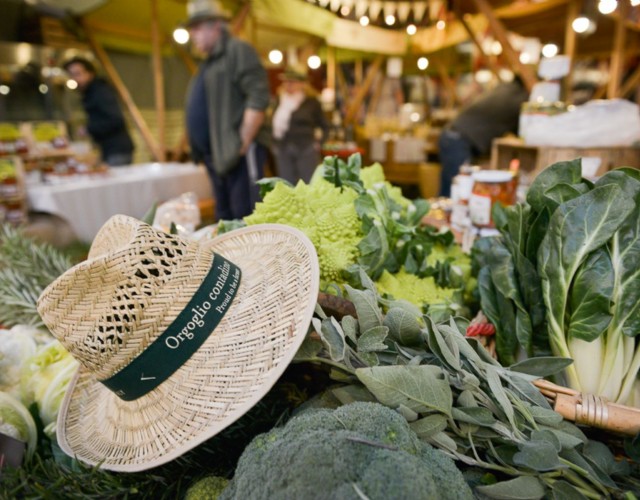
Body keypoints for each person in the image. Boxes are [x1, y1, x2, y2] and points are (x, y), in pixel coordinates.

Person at [184, 0, 270, 221]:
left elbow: (258, 97)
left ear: (216, 26)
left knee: (246, 215)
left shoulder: (238, 50)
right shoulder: (210, 61)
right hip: (216, 156)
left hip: (237, 154)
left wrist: (241, 144)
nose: (193, 34)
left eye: (198, 27)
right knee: (225, 216)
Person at [437, 76, 529, 197]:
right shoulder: (519, 98)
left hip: (452, 135)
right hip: (458, 139)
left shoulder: (504, 89)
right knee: (457, 191)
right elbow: (524, 133)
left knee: (452, 188)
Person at [63, 56, 134, 166]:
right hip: (108, 149)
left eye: (78, 74)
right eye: (71, 75)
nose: (74, 79)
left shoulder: (99, 91)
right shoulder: (90, 93)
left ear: (90, 73)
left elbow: (116, 119)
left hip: (116, 150)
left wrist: (89, 129)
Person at [271, 69, 328, 184]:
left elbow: (325, 125)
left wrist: (319, 143)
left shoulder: (311, 102)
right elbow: (271, 123)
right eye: (286, 82)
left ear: (302, 84)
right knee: (286, 183)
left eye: (292, 82)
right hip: (283, 147)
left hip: (305, 148)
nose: (288, 85)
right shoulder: (280, 100)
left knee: (308, 183)